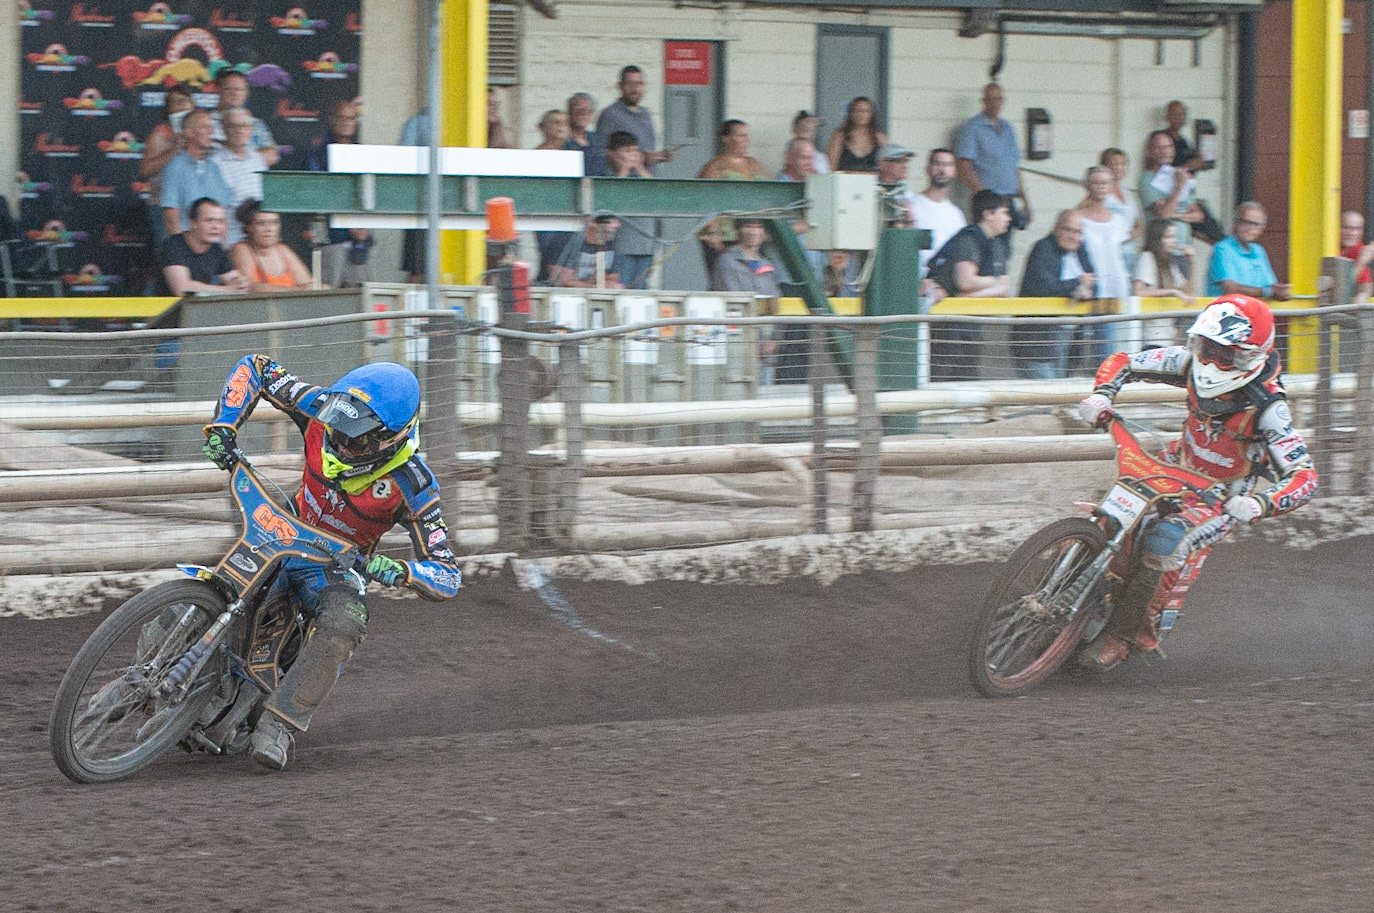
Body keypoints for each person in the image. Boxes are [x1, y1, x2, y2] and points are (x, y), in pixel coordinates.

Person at [200, 357, 461, 769]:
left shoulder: (414, 485)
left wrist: (399, 571)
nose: (338, 443)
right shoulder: (321, 410)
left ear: (391, 440)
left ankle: (281, 724)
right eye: (336, 430)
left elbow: (447, 573)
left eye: (354, 440)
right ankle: (148, 673)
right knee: (211, 585)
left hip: (333, 565)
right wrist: (225, 423)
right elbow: (259, 367)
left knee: (347, 620)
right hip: (282, 530)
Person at [1075, 294, 1317, 669]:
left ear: (1251, 355)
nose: (1211, 362)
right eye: (1207, 348)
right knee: (1109, 518)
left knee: (1163, 541)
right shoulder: (1189, 362)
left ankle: (1123, 637)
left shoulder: (1269, 408)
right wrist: (1102, 394)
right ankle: (1064, 596)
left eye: (1225, 355)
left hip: (1220, 497)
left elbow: (1305, 477)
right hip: (1175, 464)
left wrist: (1259, 504)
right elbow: (1124, 359)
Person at [925, 189, 1013, 381]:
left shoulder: (997, 244)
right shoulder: (969, 238)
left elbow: (1005, 287)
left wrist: (970, 296)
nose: (1008, 218)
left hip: (971, 325)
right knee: (942, 377)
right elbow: (964, 280)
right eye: (1004, 212)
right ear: (988, 213)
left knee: (967, 377)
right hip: (948, 327)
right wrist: (993, 283)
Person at [1013, 210, 1095, 379]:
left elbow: (1094, 281)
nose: (1073, 236)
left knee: (1061, 393)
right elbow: (1041, 286)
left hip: (1070, 339)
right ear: (1056, 228)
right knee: (1045, 392)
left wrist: (1086, 288)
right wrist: (1076, 284)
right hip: (1038, 340)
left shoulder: (1081, 250)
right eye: (1068, 230)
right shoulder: (1043, 248)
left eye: (1078, 232)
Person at [306, 100, 373, 287]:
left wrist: (364, 225)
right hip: (330, 239)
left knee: (362, 296)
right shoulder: (318, 153)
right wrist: (344, 224)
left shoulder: (362, 153)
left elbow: (369, 192)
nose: (346, 122)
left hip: (358, 242)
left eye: (351, 118)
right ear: (332, 120)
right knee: (329, 293)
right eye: (341, 117)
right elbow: (315, 195)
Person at [1076, 165, 1132, 360]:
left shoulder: (1118, 219)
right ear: (1087, 185)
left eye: (1105, 182)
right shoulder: (1078, 217)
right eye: (1096, 182)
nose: (1100, 187)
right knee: (1097, 349)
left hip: (1118, 289)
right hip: (1094, 291)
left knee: (1117, 348)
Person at [956, 83, 1030, 229]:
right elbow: (963, 167)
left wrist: (1025, 202)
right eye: (990, 99)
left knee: (1005, 249)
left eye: (998, 99)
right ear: (983, 101)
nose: (994, 103)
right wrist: (986, 196)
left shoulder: (1008, 128)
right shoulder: (973, 128)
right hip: (987, 204)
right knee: (990, 248)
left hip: (1008, 201)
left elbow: (1015, 168)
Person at [160, 109, 234, 238]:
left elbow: (223, 215)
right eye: (204, 127)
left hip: (213, 249)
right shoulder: (175, 167)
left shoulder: (214, 167)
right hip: (187, 249)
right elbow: (171, 218)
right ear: (188, 132)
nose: (211, 132)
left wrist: (222, 251)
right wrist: (183, 253)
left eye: (211, 127)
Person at [157, 197, 249, 296]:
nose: (216, 226)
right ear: (192, 223)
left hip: (198, 309)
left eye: (220, 221)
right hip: (166, 309)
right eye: (209, 220)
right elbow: (183, 289)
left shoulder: (216, 249)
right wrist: (228, 289)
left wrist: (240, 283)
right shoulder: (173, 245)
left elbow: (232, 278)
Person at [139, 84, 195, 247]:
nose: (182, 106)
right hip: (164, 205)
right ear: (168, 110)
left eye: (185, 101)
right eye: (176, 103)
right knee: (171, 254)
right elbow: (145, 170)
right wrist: (174, 150)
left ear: (192, 105)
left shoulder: (199, 132)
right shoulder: (160, 135)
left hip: (192, 206)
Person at [1206, 202, 1291, 300]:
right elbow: (1230, 289)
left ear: (1262, 228)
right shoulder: (1223, 249)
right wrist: (1268, 292)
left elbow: (1271, 285)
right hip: (1228, 312)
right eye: (1245, 222)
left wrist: (1282, 291)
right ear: (1235, 222)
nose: (1250, 228)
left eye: (1255, 224)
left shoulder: (1259, 251)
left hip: (1254, 312)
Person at [910, 147, 967, 293]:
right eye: (937, 163)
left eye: (948, 165)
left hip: (946, 287)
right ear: (928, 169)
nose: (942, 169)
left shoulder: (957, 215)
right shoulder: (911, 206)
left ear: (954, 171)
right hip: (917, 284)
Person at [595, 66, 672, 173]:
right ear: (620, 86)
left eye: (639, 84)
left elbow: (648, 150)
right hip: (625, 183)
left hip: (648, 180)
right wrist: (643, 158)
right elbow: (600, 152)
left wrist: (659, 156)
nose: (635, 89)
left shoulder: (646, 115)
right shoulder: (610, 115)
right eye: (630, 84)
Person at [1139, 130, 1204, 253]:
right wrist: (1178, 187)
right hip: (1162, 251)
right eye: (1160, 148)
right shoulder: (1147, 180)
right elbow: (1165, 214)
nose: (1165, 151)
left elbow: (1199, 215)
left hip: (1183, 248)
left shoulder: (1179, 174)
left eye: (1169, 147)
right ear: (1149, 152)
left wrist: (1177, 216)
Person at [210, 106, 266, 246]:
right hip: (230, 241)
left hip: (258, 242)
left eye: (244, 126)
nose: (239, 131)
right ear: (224, 130)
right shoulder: (214, 163)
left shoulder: (258, 159)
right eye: (233, 126)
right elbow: (214, 211)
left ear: (251, 129)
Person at [230, 200, 315, 291]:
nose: (269, 229)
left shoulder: (282, 249)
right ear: (248, 227)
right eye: (261, 223)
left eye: (274, 223)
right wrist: (296, 291)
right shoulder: (241, 249)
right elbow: (251, 287)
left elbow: (307, 283)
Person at [210, 69, 279, 166]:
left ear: (246, 93)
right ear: (218, 90)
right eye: (229, 89)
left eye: (239, 89)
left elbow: (272, 155)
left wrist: (239, 160)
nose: (235, 93)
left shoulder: (256, 124)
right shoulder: (205, 122)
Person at [1098, 147, 1142, 272]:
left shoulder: (1127, 193)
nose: (1118, 167)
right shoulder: (1101, 193)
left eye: (1122, 164)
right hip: (1109, 254)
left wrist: (1129, 235)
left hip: (1129, 252)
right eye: (1114, 164)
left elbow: (1138, 224)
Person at [549, 215, 622, 288]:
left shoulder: (610, 244)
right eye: (609, 221)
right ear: (590, 222)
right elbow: (561, 280)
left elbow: (613, 279)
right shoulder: (565, 240)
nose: (616, 225)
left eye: (616, 221)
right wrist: (596, 286)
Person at [716, 218, 781, 296]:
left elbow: (774, 297)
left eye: (759, 227)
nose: (754, 232)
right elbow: (731, 296)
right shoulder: (727, 261)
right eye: (748, 227)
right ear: (737, 230)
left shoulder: (766, 264)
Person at [826, 96, 887, 173]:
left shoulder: (880, 138)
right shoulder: (839, 136)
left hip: (871, 183)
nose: (861, 114)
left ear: (871, 114)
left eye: (866, 111)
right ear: (851, 113)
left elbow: (886, 168)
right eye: (857, 111)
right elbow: (830, 167)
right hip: (844, 182)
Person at [697, 119, 769, 180]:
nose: (746, 140)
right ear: (725, 139)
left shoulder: (754, 163)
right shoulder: (714, 167)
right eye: (741, 136)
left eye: (747, 136)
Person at [563, 92, 606, 177]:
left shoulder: (596, 139)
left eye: (587, 111)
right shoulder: (562, 139)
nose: (583, 114)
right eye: (578, 110)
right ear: (569, 113)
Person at [876, 144, 918, 228]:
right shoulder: (870, 192)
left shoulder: (908, 196)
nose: (905, 166)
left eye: (906, 161)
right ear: (882, 164)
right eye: (899, 161)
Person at [1339, 210, 1374, 303]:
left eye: (1356, 229)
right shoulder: (1329, 247)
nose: (1351, 233)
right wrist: (1361, 261)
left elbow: (1366, 286)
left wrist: (1364, 294)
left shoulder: (1357, 249)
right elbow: (1338, 290)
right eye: (1346, 227)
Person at [1163, 100, 1204, 171]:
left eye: (1181, 114)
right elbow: (1161, 171)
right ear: (1166, 116)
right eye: (1174, 114)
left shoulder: (1185, 142)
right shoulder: (1160, 138)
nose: (1178, 118)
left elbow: (1198, 161)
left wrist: (1199, 161)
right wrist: (1188, 167)